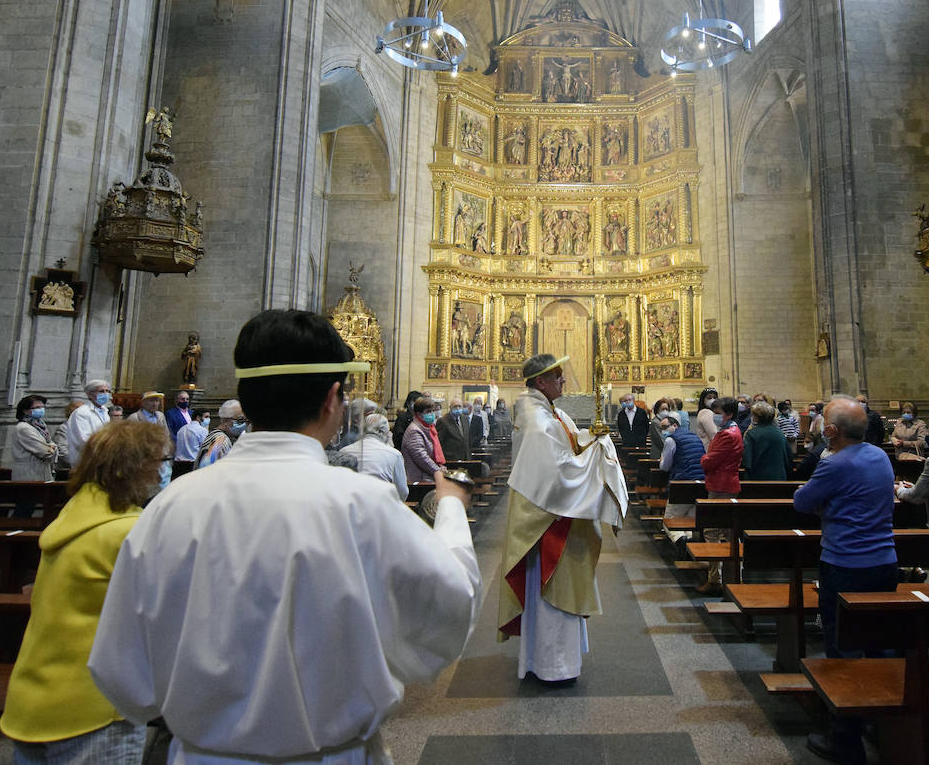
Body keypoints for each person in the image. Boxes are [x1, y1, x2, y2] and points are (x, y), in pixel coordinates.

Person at [89, 309, 482, 763]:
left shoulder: (172, 505)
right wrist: (450, 505)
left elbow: (121, 673)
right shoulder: (361, 502)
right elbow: (452, 605)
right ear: (332, 397)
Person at [0, 420, 170, 763]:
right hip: (95, 706)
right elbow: (168, 617)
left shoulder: (74, 515)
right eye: (159, 462)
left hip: (35, 697)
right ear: (138, 468)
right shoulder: (129, 533)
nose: (162, 470)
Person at [499, 353, 627, 686]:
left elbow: (568, 447)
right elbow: (559, 474)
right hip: (547, 519)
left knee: (555, 589)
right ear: (540, 381)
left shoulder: (546, 411)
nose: (563, 381)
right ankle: (553, 665)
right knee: (553, 588)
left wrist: (591, 442)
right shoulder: (537, 419)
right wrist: (597, 456)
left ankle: (543, 660)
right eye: (557, 377)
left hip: (549, 514)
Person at [793, 396, 897, 764]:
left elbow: (802, 501)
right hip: (885, 562)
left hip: (844, 563)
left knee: (843, 649)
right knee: (882, 644)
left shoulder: (835, 464)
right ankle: (885, 727)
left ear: (832, 431)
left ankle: (845, 740)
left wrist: (824, 502)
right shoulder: (879, 456)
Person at [696, 397, 745, 594]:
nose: (714, 416)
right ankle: (723, 577)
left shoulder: (728, 435)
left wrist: (704, 457)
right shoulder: (731, 430)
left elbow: (709, 461)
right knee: (724, 531)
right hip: (724, 483)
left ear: (729, 413)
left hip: (721, 486)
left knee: (714, 531)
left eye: (718, 412)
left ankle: (716, 578)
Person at [335, 413, 409, 501]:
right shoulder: (394, 455)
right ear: (383, 432)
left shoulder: (343, 451)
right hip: (381, 505)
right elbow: (402, 492)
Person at [10, 394, 60, 482]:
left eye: (42, 407)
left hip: (41, 471)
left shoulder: (40, 426)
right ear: (25, 411)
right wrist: (51, 447)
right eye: (36, 407)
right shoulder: (24, 428)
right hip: (29, 474)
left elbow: (50, 445)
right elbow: (44, 451)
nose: (40, 409)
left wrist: (51, 447)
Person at [401, 396, 447, 482]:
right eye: (428, 411)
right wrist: (438, 470)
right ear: (419, 414)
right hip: (419, 479)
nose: (432, 414)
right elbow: (421, 457)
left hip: (427, 476)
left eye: (433, 411)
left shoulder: (428, 428)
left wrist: (439, 467)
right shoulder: (414, 430)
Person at [742, 401, 791, 480]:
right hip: (779, 478)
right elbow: (788, 457)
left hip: (757, 478)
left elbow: (747, 460)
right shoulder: (779, 433)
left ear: (757, 416)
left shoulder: (751, 434)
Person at [65, 380, 112, 459]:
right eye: (101, 391)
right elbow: (83, 439)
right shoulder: (81, 413)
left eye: (107, 391)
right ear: (90, 394)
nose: (105, 394)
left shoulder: (105, 412)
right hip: (86, 458)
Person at [196, 399, 245, 468]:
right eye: (240, 420)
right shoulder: (219, 441)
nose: (244, 424)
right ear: (225, 420)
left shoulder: (224, 437)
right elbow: (206, 466)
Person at [51, 398, 87, 468]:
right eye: (77, 408)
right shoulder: (64, 428)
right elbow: (61, 451)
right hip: (70, 468)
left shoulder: (86, 427)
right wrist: (80, 463)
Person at [437, 397, 473, 463]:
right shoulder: (443, 421)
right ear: (450, 407)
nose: (458, 408)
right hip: (451, 459)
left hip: (466, 458)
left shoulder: (465, 419)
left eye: (459, 406)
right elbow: (439, 443)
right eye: (455, 406)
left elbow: (467, 439)